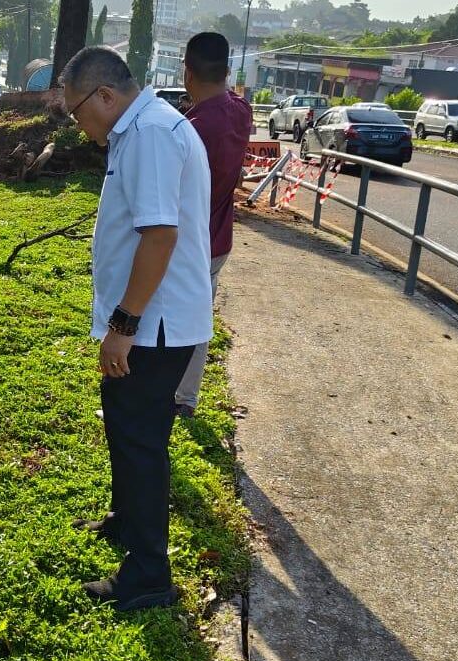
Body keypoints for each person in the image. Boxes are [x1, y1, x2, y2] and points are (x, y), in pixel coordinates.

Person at [61, 47, 213, 610]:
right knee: (126, 429)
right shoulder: (142, 127)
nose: (78, 125)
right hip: (152, 321)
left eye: (77, 112)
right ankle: (127, 521)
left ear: (104, 95)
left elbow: (160, 236)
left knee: (141, 442)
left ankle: (149, 574)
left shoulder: (149, 133)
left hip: (154, 325)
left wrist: (124, 324)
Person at [172, 32, 253, 418]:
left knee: (169, 321)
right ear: (227, 71)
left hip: (186, 245)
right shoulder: (242, 111)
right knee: (199, 320)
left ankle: (167, 393)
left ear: (187, 73)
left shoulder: (190, 129)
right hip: (219, 240)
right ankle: (186, 397)